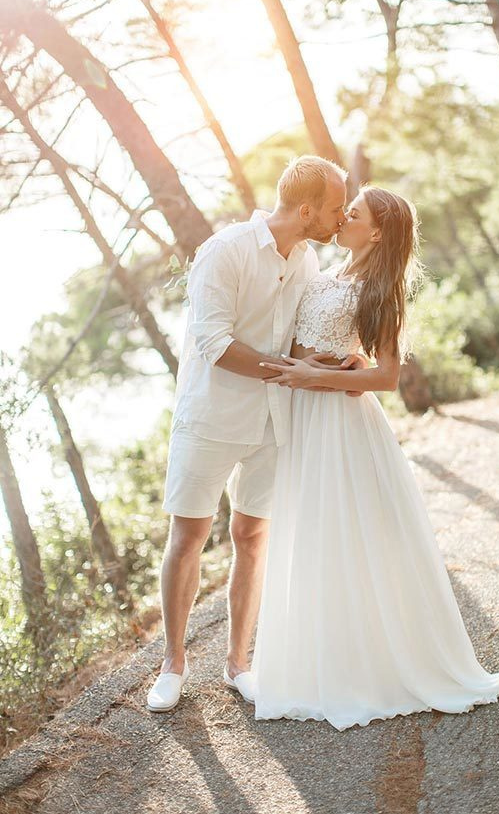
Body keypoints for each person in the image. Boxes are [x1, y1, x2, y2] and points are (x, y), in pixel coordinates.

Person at [249, 185, 499, 730]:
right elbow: (312, 344)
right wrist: (319, 362)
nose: (342, 219)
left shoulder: (381, 288)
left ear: (376, 232)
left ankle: (374, 664)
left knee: (353, 535)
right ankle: (325, 661)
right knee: (313, 536)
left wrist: (316, 375)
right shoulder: (324, 273)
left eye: (355, 214)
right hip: (306, 419)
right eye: (345, 212)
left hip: (343, 424)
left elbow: (387, 376)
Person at [148, 156, 352, 712]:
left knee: (251, 537)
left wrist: (339, 367)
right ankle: (172, 663)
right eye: (336, 208)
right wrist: (285, 371)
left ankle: (238, 664)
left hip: (273, 422)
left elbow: (304, 340)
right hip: (210, 418)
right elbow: (213, 343)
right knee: (188, 539)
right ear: (306, 209)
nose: (342, 217)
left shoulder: (309, 262)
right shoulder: (225, 251)